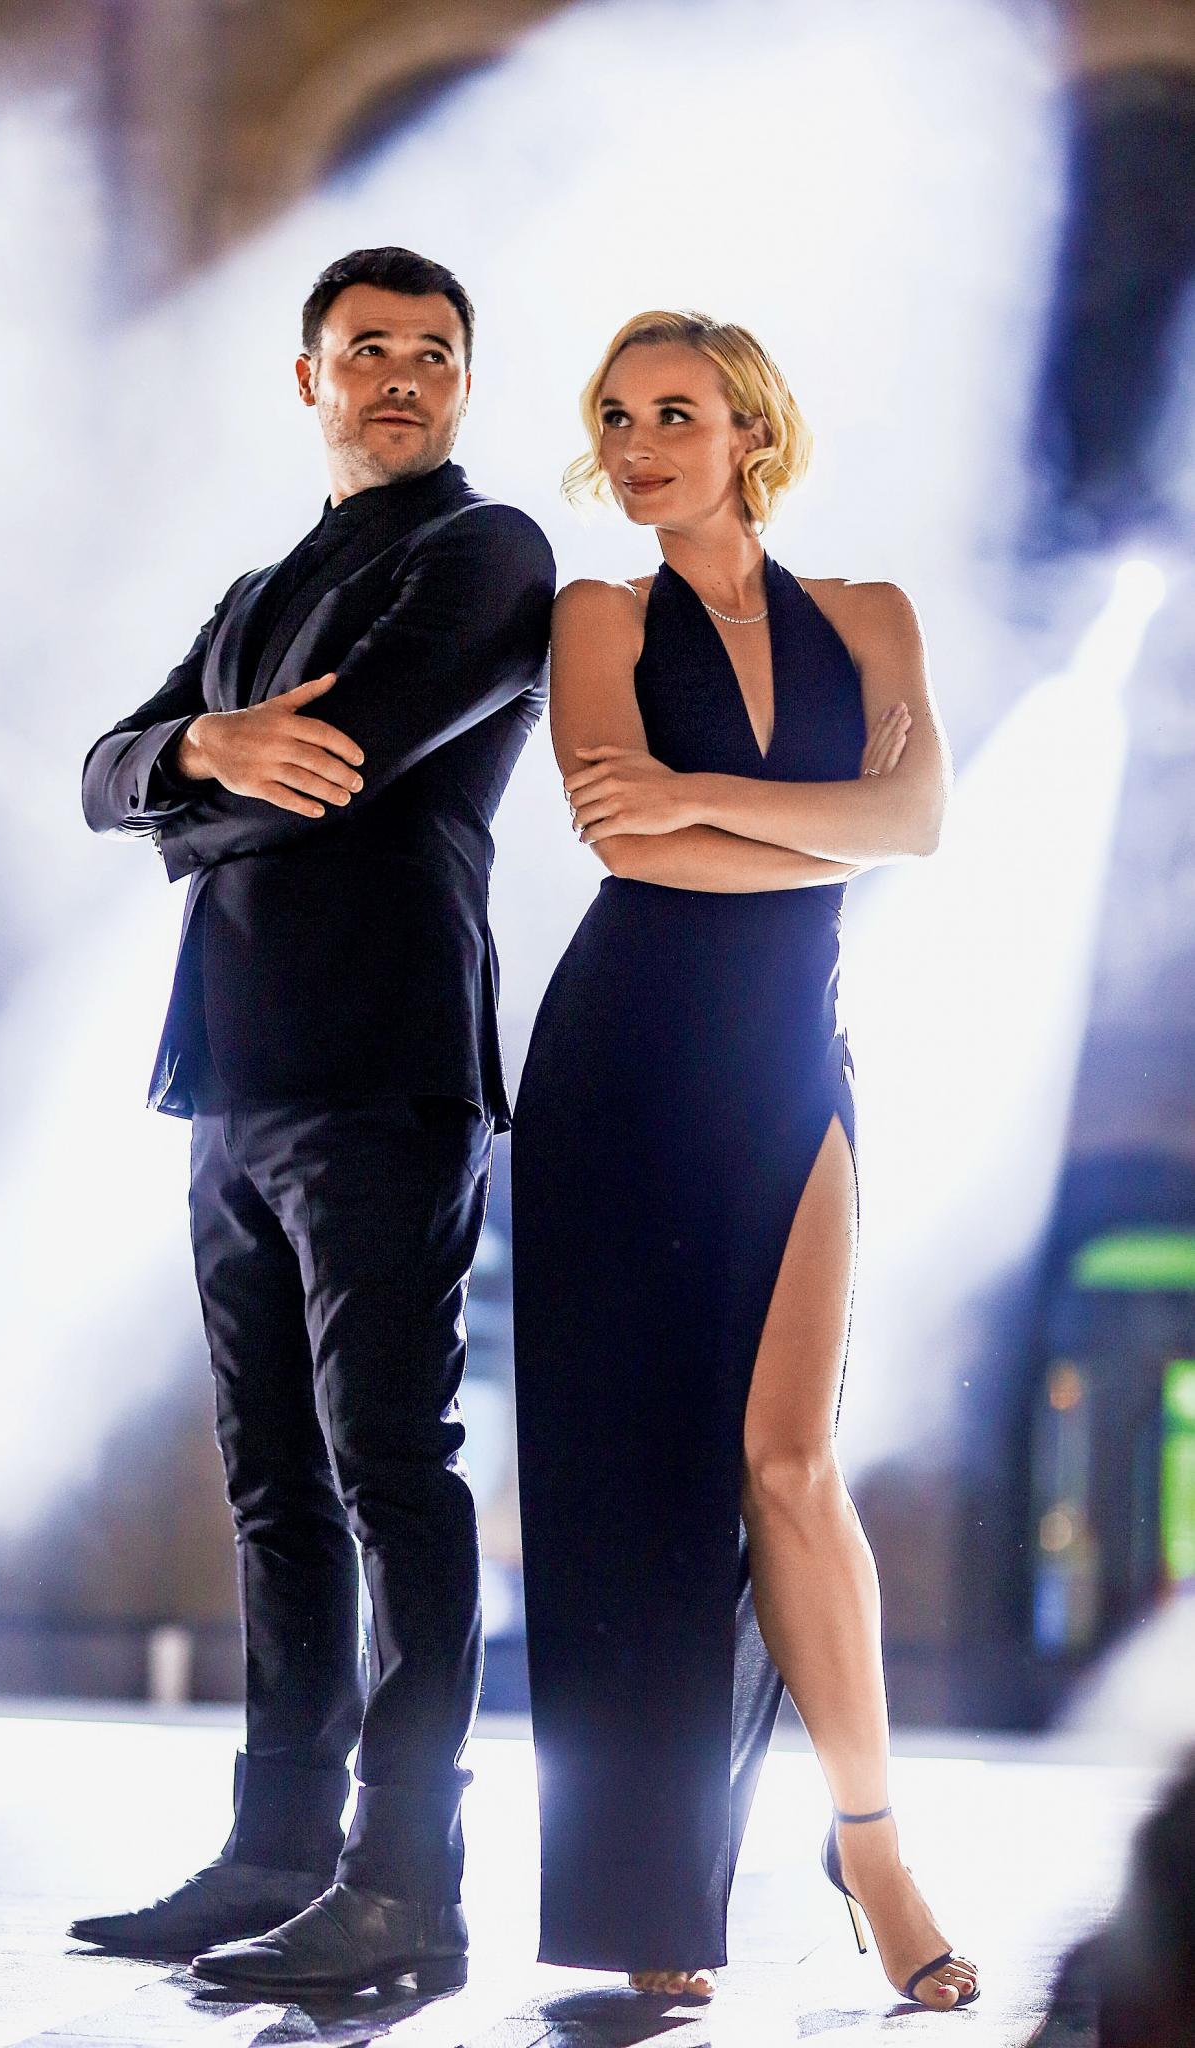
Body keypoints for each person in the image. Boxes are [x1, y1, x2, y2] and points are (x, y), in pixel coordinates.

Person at [73, 246, 555, 1997]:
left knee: (391, 1472)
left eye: (433, 351)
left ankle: (407, 1883)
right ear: (311, 378)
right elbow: (103, 772)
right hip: (230, 1080)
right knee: (273, 1484)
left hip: (386, 1072)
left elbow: (337, 767)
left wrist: (188, 783)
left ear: (465, 383)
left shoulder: (488, 553)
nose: (401, 375)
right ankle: (273, 1854)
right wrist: (202, 750)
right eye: (368, 350)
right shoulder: (257, 590)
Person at [511, 310, 978, 2010]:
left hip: (790, 1061)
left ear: (751, 434)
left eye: (675, 414)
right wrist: (824, 827)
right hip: (620, 1065)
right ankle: (651, 1889)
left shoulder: (871, 616)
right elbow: (629, 844)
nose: (637, 447)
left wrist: (711, 800)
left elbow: (921, 823)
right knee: (629, 1489)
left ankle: (874, 1850)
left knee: (790, 1463)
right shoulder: (596, 616)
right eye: (615, 417)